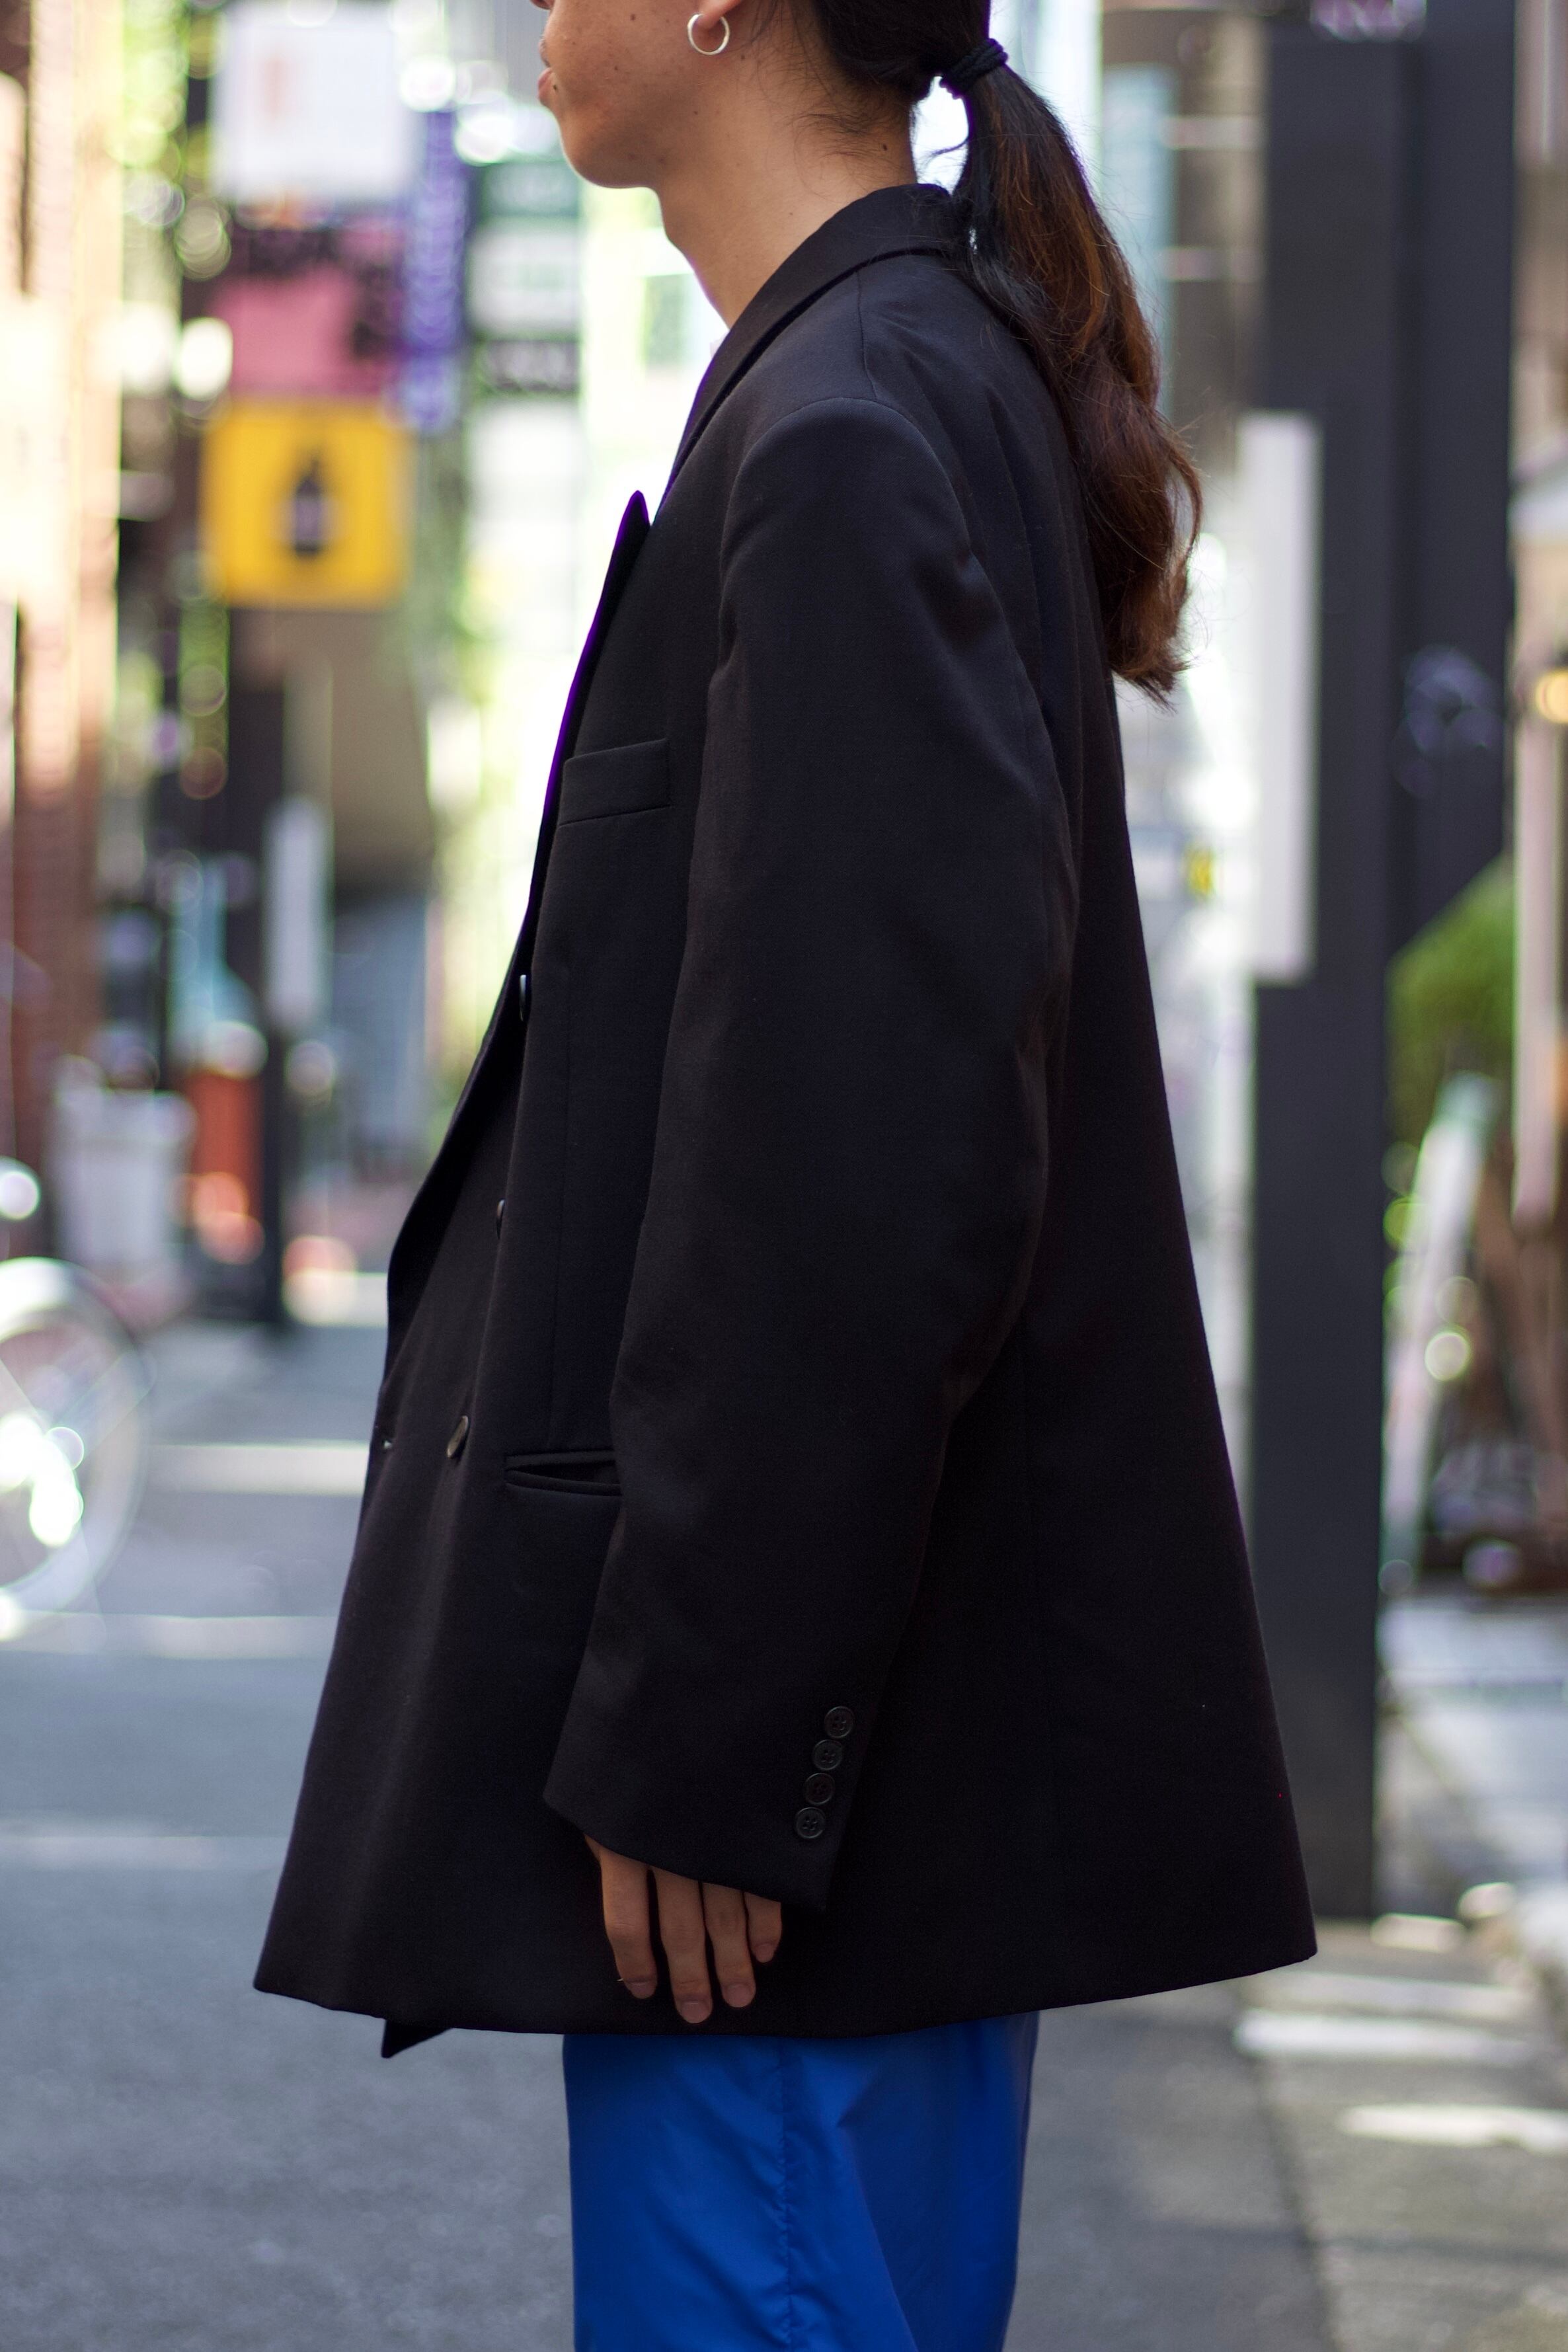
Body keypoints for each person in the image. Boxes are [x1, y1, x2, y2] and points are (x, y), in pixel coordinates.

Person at [256, 0, 1316, 2342]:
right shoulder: (887, 379)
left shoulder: (848, 422)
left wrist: (710, 1744)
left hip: (774, 1840)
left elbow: (861, 1153)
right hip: (861, 1782)